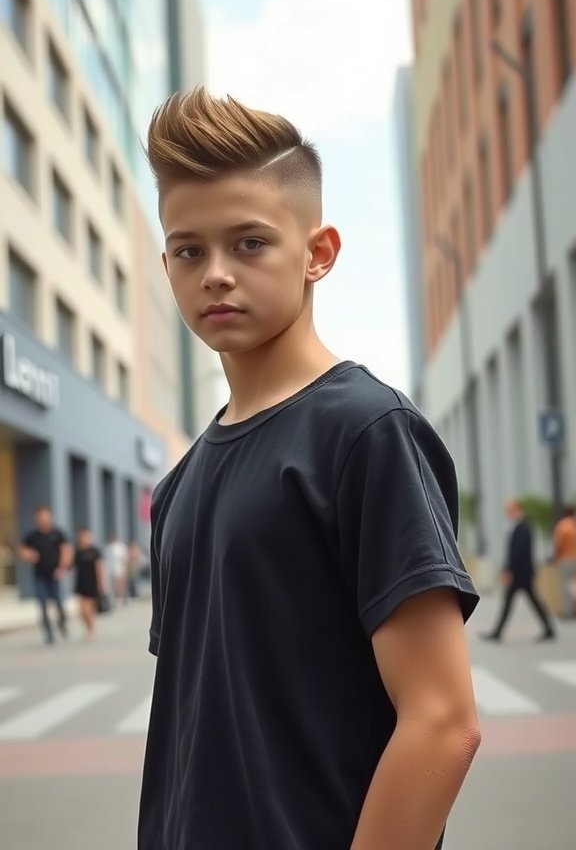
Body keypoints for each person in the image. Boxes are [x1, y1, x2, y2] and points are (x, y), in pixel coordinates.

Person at [137, 89, 481, 850]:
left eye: (250, 243)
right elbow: (204, 728)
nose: (216, 274)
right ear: (166, 266)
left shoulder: (364, 431)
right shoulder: (179, 487)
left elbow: (443, 722)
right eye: (190, 250)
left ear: (317, 253)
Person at [481, 499, 556, 642]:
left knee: (513, 602)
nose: (507, 513)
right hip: (521, 573)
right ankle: (548, 629)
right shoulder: (520, 526)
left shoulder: (523, 528)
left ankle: (497, 633)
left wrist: (509, 570)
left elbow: (518, 553)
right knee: (528, 601)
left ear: (517, 509)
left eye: (509, 509)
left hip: (521, 573)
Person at [17, 505, 72, 645]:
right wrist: (28, 554)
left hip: (54, 574)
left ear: (49, 516)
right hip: (39, 575)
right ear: (36, 519)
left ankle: (62, 621)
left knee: (57, 601)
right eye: (40, 516)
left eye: (45, 516)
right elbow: (21, 549)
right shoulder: (32, 536)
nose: (43, 519)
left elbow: (66, 551)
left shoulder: (58, 534)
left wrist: (61, 568)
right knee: (42, 602)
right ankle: (48, 632)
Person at [73, 527, 105, 640]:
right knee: (81, 610)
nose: (83, 539)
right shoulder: (77, 551)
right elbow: (71, 566)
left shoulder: (94, 551)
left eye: (86, 536)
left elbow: (99, 568)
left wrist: (101, 585)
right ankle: (88, 627)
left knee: (89, 609)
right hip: (81, 582)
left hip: (92, 583)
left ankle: (91, 629)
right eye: (81, 537)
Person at [553, 505, 576, 619]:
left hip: (566, 558)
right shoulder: (573, 525)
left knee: (566, 585)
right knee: (573, 584)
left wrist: (556, 557)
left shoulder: (562, 526)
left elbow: (559, 545)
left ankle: (568, 611)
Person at [104, 533, 128, 605]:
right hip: (110, 570)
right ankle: (114, 599)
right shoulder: (107, 547)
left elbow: (124, 559)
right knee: (112, 586)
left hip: (119, 569)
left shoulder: (120, 546)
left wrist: (124, 570)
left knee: (119, 585)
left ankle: (120, 599)